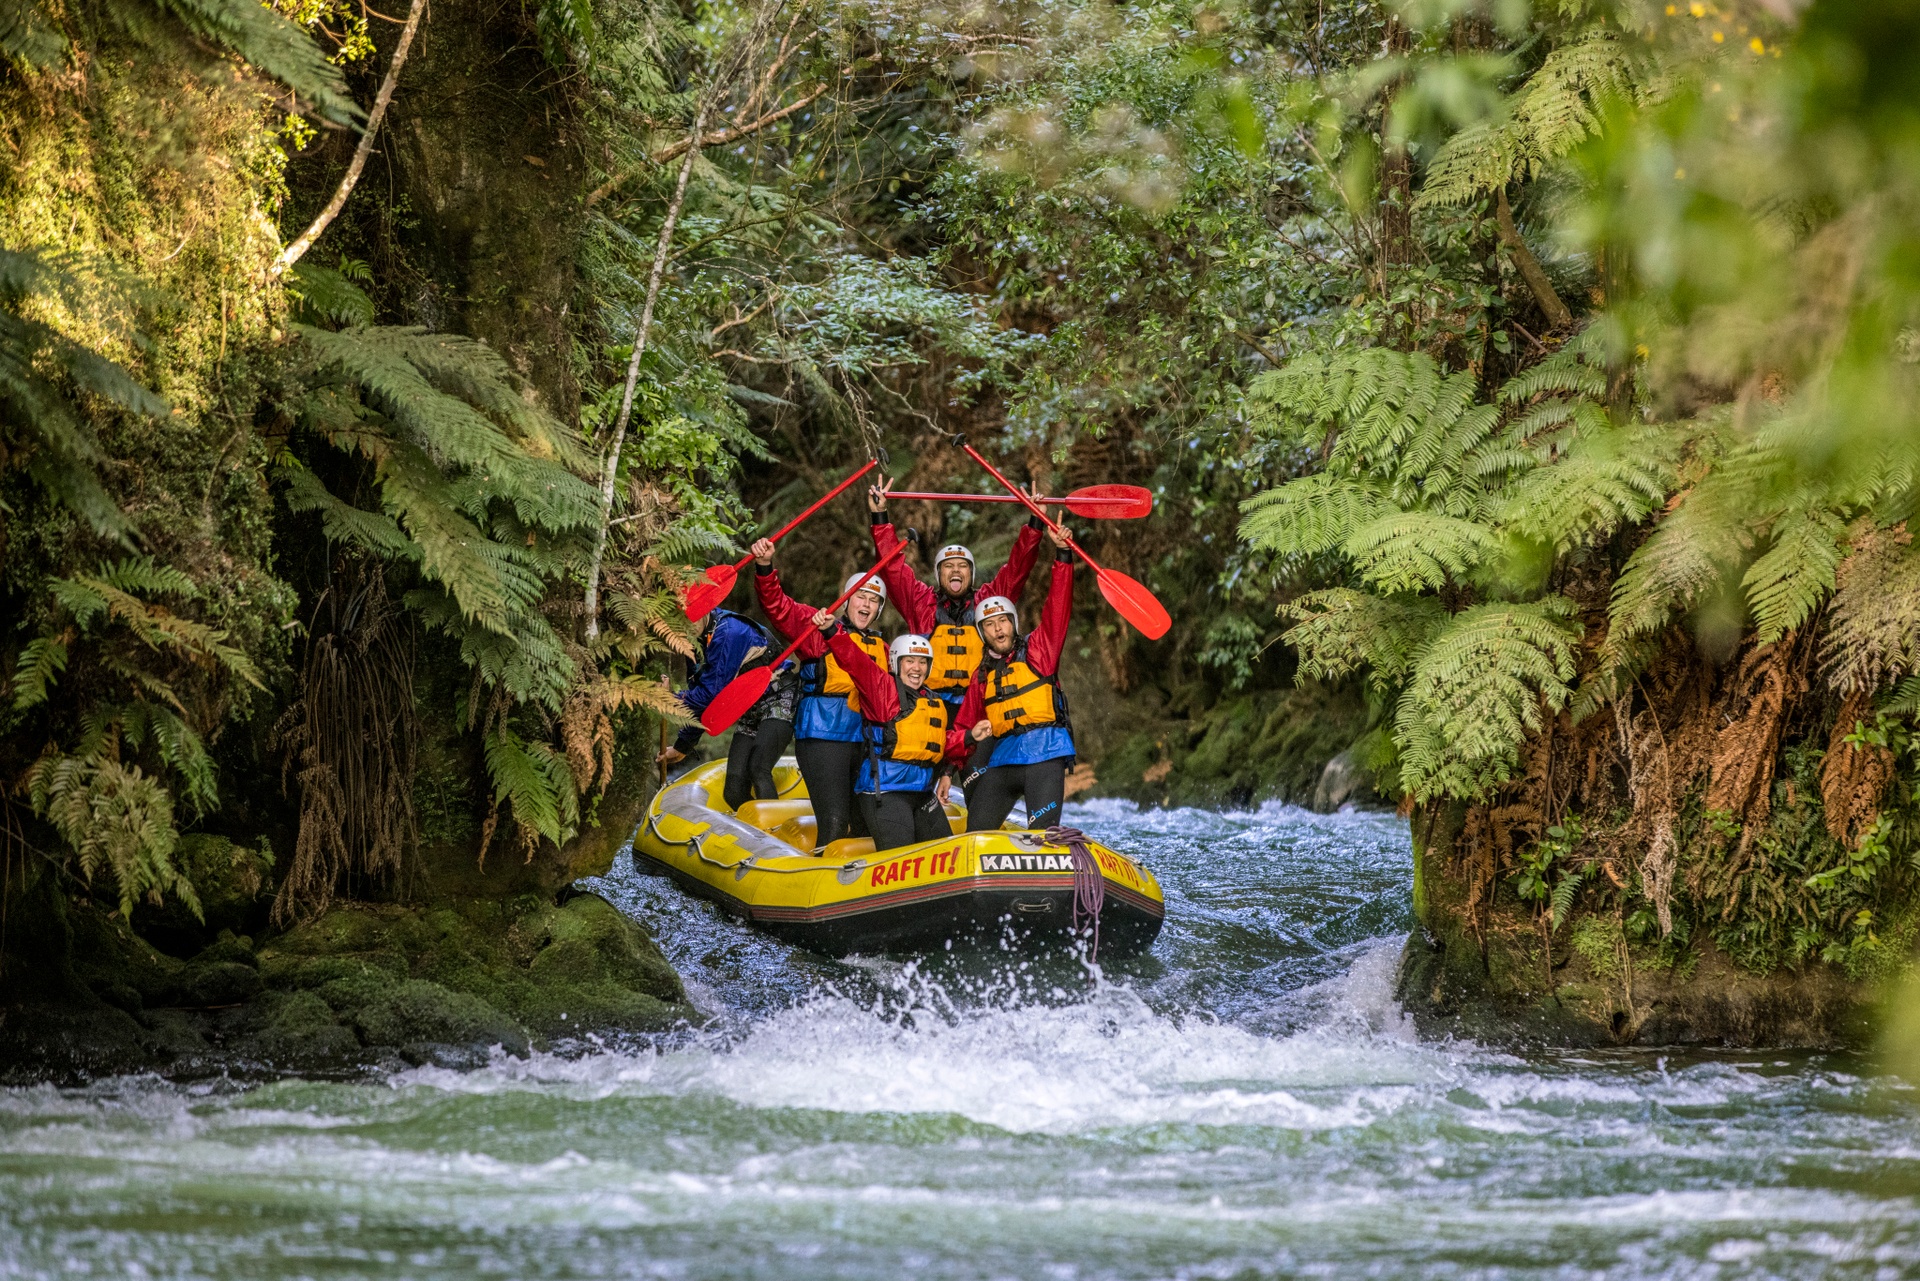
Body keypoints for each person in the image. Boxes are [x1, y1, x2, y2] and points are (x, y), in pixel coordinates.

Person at [865, 476, 1047, 713]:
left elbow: (1018, 567)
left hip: (979, 704)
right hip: (931, 703)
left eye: (963, 565)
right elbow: (892, 568)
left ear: (971, 574)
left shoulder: (988, 600)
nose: (955, 570)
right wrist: (880, 517)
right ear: (938, 574)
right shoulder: (921, 602)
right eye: (948, 566)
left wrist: (1035, 522)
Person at [751, 536, 888, 847]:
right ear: (847, 600)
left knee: (866, 825)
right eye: (860, 596)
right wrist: (764, 567)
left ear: (879, 609)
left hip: (865, 742)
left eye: (873, 600)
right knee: (835, 822)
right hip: (823, 736)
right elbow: (778, 607)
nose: (865, 604)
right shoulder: (819, 628)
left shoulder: (883, 647)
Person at [946, 523, 1076, 832]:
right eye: (990, 625)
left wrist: (1063, 555)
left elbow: (1058, 606)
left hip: (1045, 753)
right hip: (1004, 760)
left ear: (1013, 623)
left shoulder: (1040, 650)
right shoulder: (982, 676)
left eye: (1003, 621)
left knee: (1043, 834)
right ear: (982, 633)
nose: (998, 629)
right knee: (975, 832)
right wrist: (947, 769)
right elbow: (963, 728)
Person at [811, 610, 954, 852]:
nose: (916, 668)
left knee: (948, 853)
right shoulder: (882, 689)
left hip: (922, 792)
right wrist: (831, 631)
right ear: (897, 663)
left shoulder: (932, 700)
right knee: (901, 855)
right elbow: (855, 661)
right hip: (886, 792)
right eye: (910, 661)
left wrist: (949, 770)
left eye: (922, 662)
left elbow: (942, 742)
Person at [655, 606, 796, 811]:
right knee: (734, 788)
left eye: (692, 618)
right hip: (750, 705)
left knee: (758, 769)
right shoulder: (692, 643)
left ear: (705, 610)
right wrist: (682, 747)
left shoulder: (729, 632)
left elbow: (711, 695)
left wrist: (671, 699)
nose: (687, 626)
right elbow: (700, 695)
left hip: (780, 695)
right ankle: (754, 833)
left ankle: (772, 831)